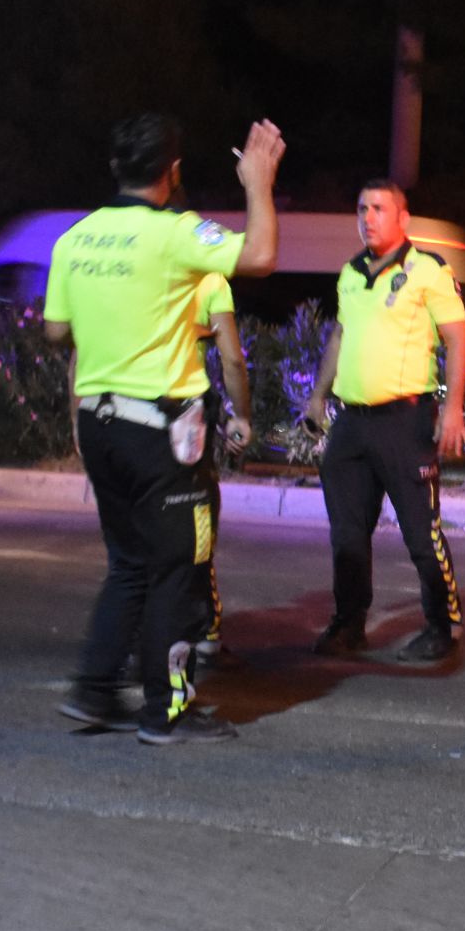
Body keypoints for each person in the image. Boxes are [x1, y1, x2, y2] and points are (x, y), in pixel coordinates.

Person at [44, 113, 285, 744]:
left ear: (115, 166)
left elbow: (55, 331)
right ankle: (166, 710)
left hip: (99, 425)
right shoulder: (176, 233)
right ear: (172, 172)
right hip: (160, 436)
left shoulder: (76, 238)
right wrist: (257, 181)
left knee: (128, 563)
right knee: (178, 568)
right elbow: (258, 255)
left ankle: (93, 693)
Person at [301, 179, 465, 664]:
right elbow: (339, 334)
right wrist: (318, 396)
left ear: (403, 218)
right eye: (362, 208)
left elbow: (458, 337)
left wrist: (454, 407)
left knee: (422, 533)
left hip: (405, 419)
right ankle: (349, 623)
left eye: (379, 208)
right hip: (352, 423)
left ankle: (443, 624)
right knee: (347, 535)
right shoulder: (351, 273)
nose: (368, 216)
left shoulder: (428, 270)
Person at [184, 271, 254, 677]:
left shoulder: (127, 260)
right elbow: (232, 358)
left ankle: (134, 634)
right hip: (184, 411)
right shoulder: (208, 276)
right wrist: (241, 415)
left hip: (123, 413)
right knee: (198, 518)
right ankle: (205, 631)